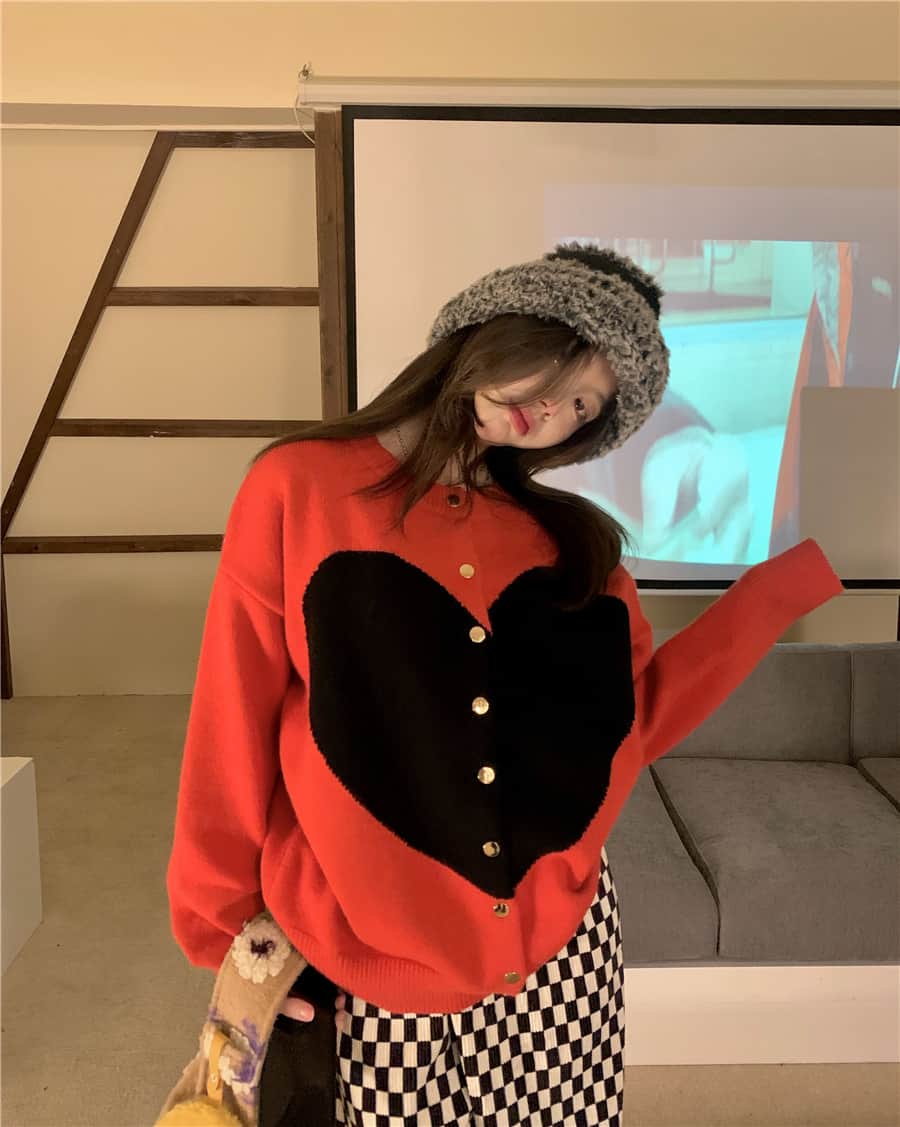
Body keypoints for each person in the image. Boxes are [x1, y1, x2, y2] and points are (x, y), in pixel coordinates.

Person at [166, 244, 844, 1126]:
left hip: (563, 965)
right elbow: (231, 722)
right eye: (562, 364)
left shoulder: (572, 548)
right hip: (374, 972)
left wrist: (779, 590)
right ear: (497, 325)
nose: (555, 409)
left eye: (587, 406)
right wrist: (229, 936)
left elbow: (629, 720)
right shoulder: (298, 488)